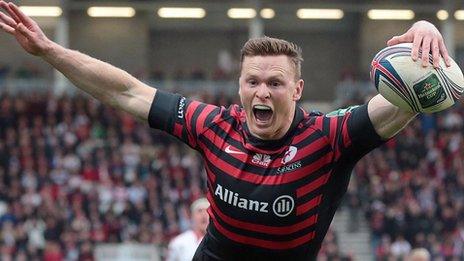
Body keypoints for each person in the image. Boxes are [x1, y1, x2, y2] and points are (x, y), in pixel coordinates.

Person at [0, 1, 452, 259]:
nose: (262, 92)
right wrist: (49, 51)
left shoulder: (329, 137)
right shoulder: (215, 125)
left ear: (297, 90)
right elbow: (127, 92)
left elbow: (399, 104)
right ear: (239, 86)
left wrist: (425, 37)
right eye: (252, 81)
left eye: (275, 83)